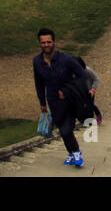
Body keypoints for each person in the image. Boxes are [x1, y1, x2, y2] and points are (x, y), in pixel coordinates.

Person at [33, 27, 90, 167]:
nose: (46, 45)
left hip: (69, 100)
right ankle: (71, 153)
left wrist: (66, 90)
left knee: (66, 130)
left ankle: (77, 153)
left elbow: (83, 76)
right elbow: (39, 83)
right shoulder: (37, 61)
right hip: (52, 101)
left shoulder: (66, 59)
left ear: (54, 42)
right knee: (61, 129)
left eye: (49, 42)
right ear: (40, 44)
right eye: (43, 43)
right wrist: (42, 103)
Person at [76, 55, 102, 124]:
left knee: (90, 105)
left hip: (90, 91)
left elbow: (96, 79)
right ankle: (85, 119)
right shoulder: (74, 73)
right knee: (83, 105)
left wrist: (93, 89)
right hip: (81, 92)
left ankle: (98, 115)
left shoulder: (87, 70)